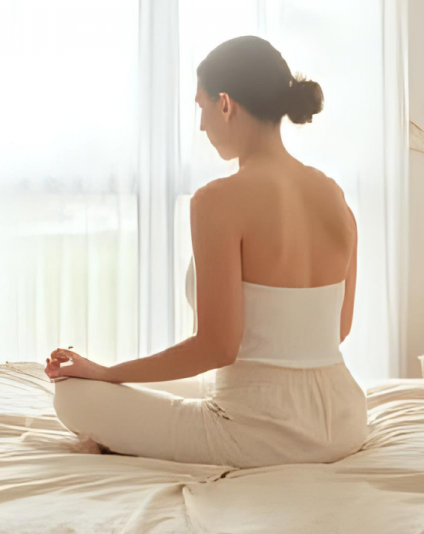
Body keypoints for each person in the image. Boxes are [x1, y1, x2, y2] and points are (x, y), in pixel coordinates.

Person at [45, 36, 367, 469]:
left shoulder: (218, 200)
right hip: (345, 421)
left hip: (262, 432)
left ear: (226, 104)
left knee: (73, 395)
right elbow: (338, 329)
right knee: (171, 389)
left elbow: (217, 348)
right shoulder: (333, 194)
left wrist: (104, 374)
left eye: (201, 106)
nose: (200, 125)